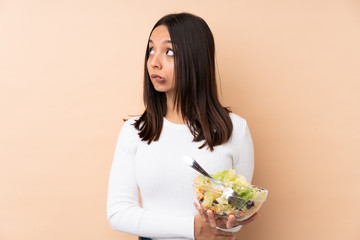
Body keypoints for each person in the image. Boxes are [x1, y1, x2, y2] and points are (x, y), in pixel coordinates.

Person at [107, 12, 258, 240]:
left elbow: (232, 217)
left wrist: (237, 217)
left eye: (169, 52)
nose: (154, 62)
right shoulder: (134, 131)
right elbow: (118, 212)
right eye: (151, 50)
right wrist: (191, 228)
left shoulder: (236, 130)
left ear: (195, 59)